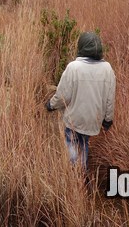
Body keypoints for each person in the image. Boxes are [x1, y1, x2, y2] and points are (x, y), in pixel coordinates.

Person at [46, 31, 115, 171]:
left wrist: (51, 105)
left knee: (71, 143)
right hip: (93, 120)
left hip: (74, 119)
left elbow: (63, 95)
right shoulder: (107, 69)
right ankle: (81, 173)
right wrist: (108, 119)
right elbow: (110, 98)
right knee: (84, 145)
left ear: (81, 47)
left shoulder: (74, 67)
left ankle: (72, 170)